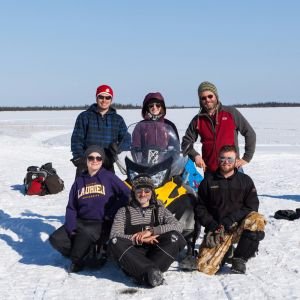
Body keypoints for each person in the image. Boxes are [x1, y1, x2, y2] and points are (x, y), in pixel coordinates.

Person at [49, 145, 130, 273]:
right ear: (86, 160)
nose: (95, 161)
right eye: (91, 157)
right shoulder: (79, 181)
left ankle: (80, 257)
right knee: (56, 239)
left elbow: (127, 194)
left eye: (98, 158)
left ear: (102, 161)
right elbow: (71, 207)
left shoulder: (108, 177)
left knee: (83, 242)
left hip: (100, 223)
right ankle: (86, 252)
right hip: (81, 221)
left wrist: (111, 211)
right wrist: (71, 228)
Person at [194, 145, 266, 275]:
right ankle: (226, 251)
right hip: (219, 229)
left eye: (230, 159)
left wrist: (232, 219)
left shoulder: (245, 181)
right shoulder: (208, 181)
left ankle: (240, 258)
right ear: (218, 159)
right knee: (204, 267)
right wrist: (211, 224)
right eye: (223, 158)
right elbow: (200, 208)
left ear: (236, 160)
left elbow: (252, 207)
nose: (226, 162)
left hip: (239, 227)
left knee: (257, 220)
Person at [108, 174, 186, 287]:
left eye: (147, 191)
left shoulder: (159, 210)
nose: (143, 194)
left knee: (175, 237)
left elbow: (178, 226)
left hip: (155, 253)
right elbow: (114, 235)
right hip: (132, 256)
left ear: (152, 192)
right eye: (139, 190)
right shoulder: (123, 211)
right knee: (115, 241)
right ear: (133, 192)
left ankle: (146, 273)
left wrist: (152, 231)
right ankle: (150, 272)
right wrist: (140, 239)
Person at [181, 81, 256, 174]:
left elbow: (250, 133)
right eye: (203, 98)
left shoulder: (231, 113)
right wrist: (195, 156)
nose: (207, 100)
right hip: (211, 172)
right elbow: (186, 142)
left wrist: (246, 158)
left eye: (210, 96)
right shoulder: (198, 120)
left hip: (232, 170)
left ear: (216, 96)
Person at [71, 84, 129, 175]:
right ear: (96, 98)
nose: (104, 100)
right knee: (82, 189)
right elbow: (76, 140)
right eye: (101, 97)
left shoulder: (117, 119)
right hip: (87, 164)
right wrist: (80, 158)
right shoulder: (84, 116)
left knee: (109, 189)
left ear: (111, 99)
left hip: (107, 164)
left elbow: (126, 139)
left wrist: (118, 149)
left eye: (107, 97)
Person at [131, 92, 179, 164]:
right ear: (147, 108)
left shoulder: (169, 125)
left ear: (162, 107)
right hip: (145, 165)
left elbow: (175, 146)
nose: (154, 107)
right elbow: (135, 147)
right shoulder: (140, 126)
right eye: (151, 106)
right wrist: (139, 160)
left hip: (165, 165)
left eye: (158, 105)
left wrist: (171, 157)